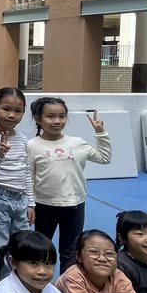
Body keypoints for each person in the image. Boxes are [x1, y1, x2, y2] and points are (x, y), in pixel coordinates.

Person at [28, 97, 112, 270]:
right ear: (38, 119)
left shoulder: (77, 143)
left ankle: (68, 285)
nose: (57, 121)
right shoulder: (32, 145)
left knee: (70, 251)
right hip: (44, 206)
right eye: (50, 116)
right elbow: (28, 177)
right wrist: (30, 204)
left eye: (62, 116)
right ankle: (39, 281)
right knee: (41, 248)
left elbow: (104, 158)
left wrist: (100, 133)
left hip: (75, 206)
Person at [0, 86, 34, 288]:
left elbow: (26, 172)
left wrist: (31, 202)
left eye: (18, 110)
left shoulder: (22, 138)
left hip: (20, 199)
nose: (12, 115)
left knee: (22, 245)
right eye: (6, 109)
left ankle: (19, 288)